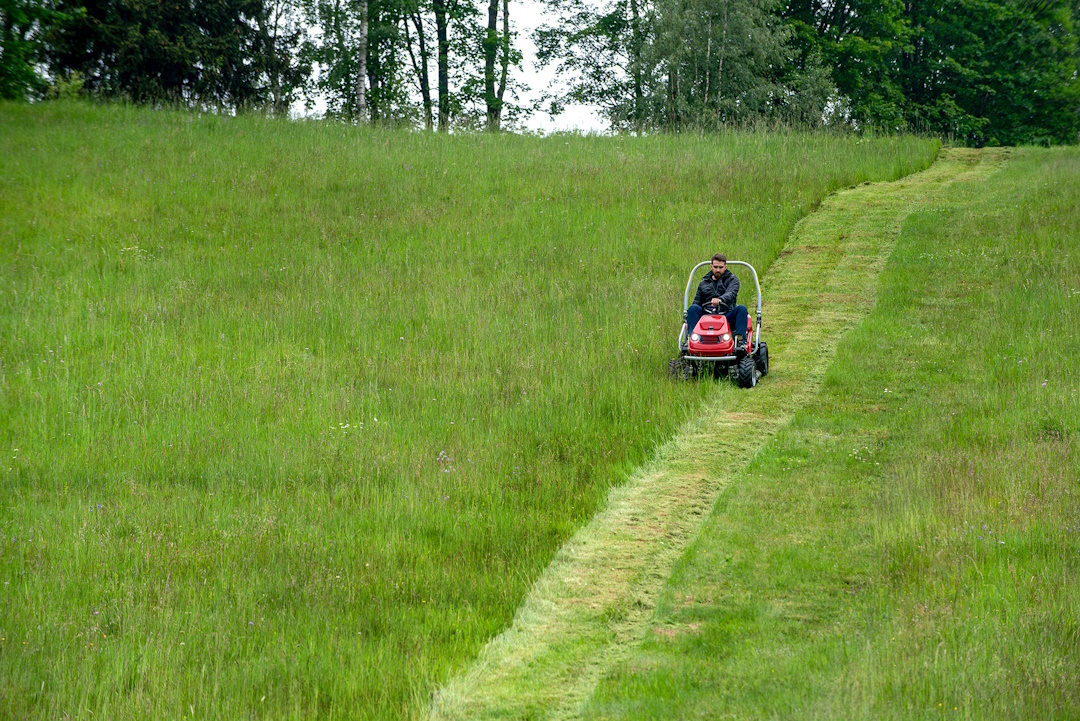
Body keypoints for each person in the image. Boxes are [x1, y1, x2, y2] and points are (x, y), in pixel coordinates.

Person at [684, 254, 749, 355]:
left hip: (727, 316)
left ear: (725, 267)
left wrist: (720, 300)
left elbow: (731, 293)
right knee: (693, 308)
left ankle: (740, 342)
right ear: (711, 266)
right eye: (715, 267)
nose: (718, 270)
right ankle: (691, 340)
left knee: (742, 309)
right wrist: (687, 318)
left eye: (721, 267)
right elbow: (697, 301)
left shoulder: (733, 280)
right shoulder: (703, 283)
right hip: (706, 317)